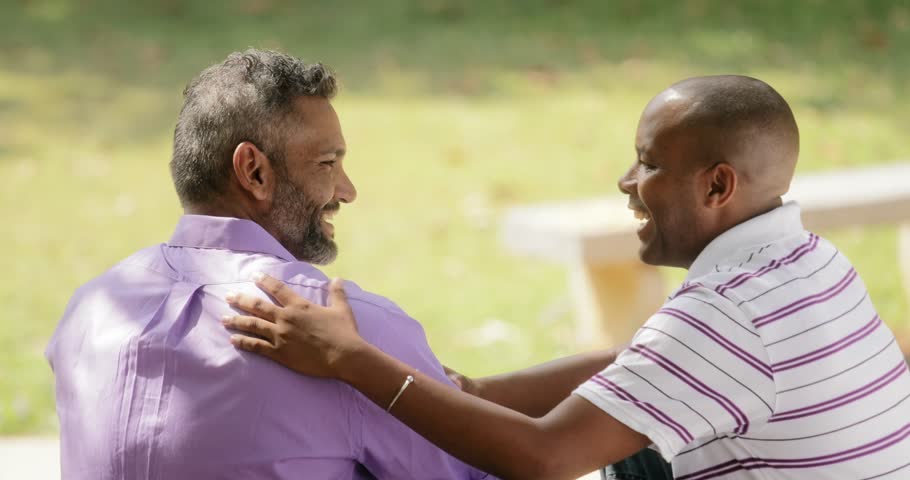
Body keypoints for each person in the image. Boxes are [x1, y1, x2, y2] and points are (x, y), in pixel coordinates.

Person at [223, 75, 910, 479]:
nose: (627, 181)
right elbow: (648, 365)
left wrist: (352, 361)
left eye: (649, 163)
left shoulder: (728, 316)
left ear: (717, 186)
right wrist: (477, 392)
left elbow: (546, 459)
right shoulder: (806, 259)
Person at [48, 48, 558, 479]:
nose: (347, 190)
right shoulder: (337, 331)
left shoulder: (90, 310)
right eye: (327, 163)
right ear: (254, 172)